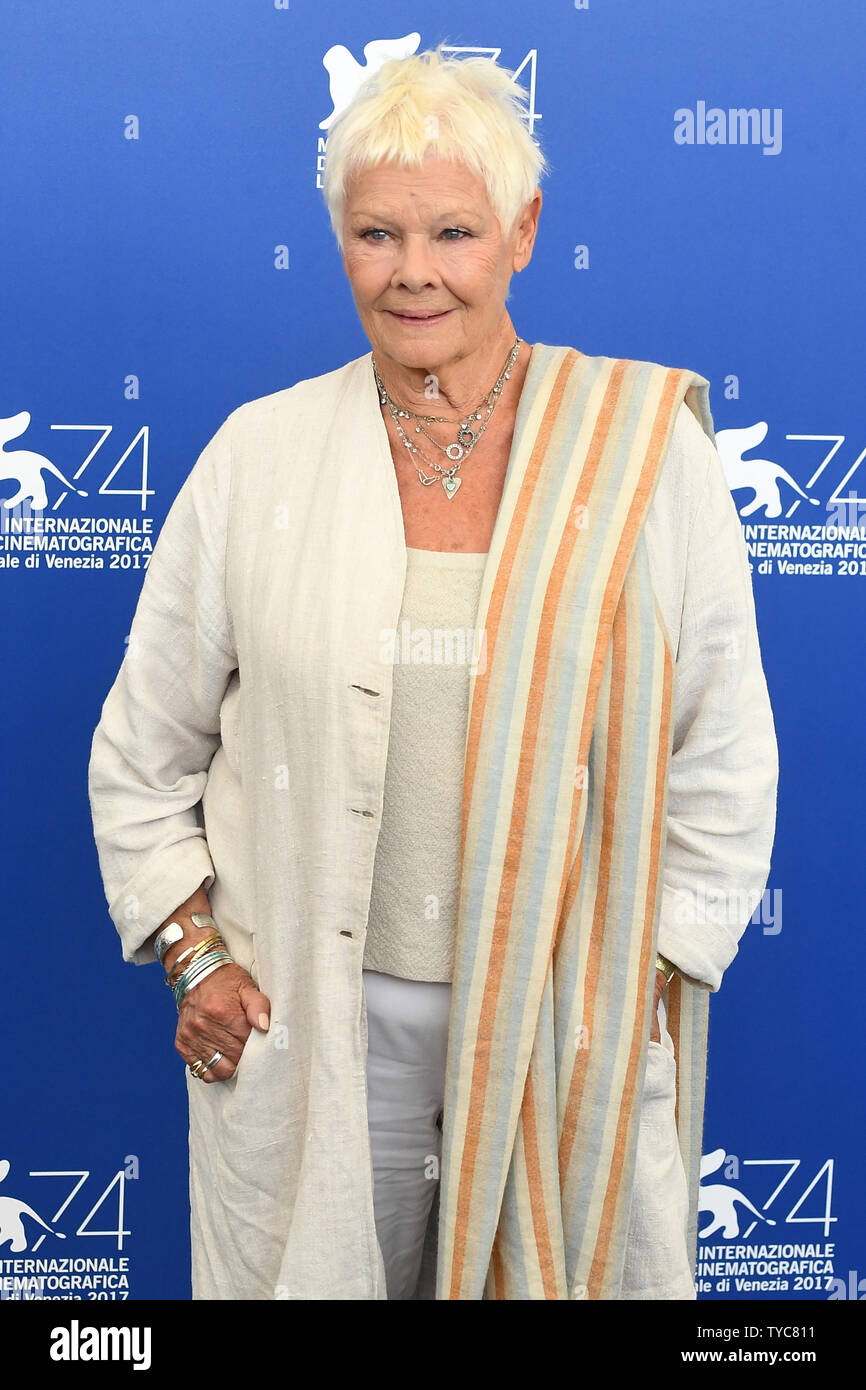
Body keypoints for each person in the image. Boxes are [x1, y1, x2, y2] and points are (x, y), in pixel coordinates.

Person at [87, 46, 778, 1301]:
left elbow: (722, 751)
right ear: (337, 241)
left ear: (523, 232)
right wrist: (193, 954)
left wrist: (655, 979)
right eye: (375, 234)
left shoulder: (642, 462)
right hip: (320, 1017)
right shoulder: (260, 459)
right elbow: (142, 751)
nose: (413, 272)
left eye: (453, 231)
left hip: (567, 1019)